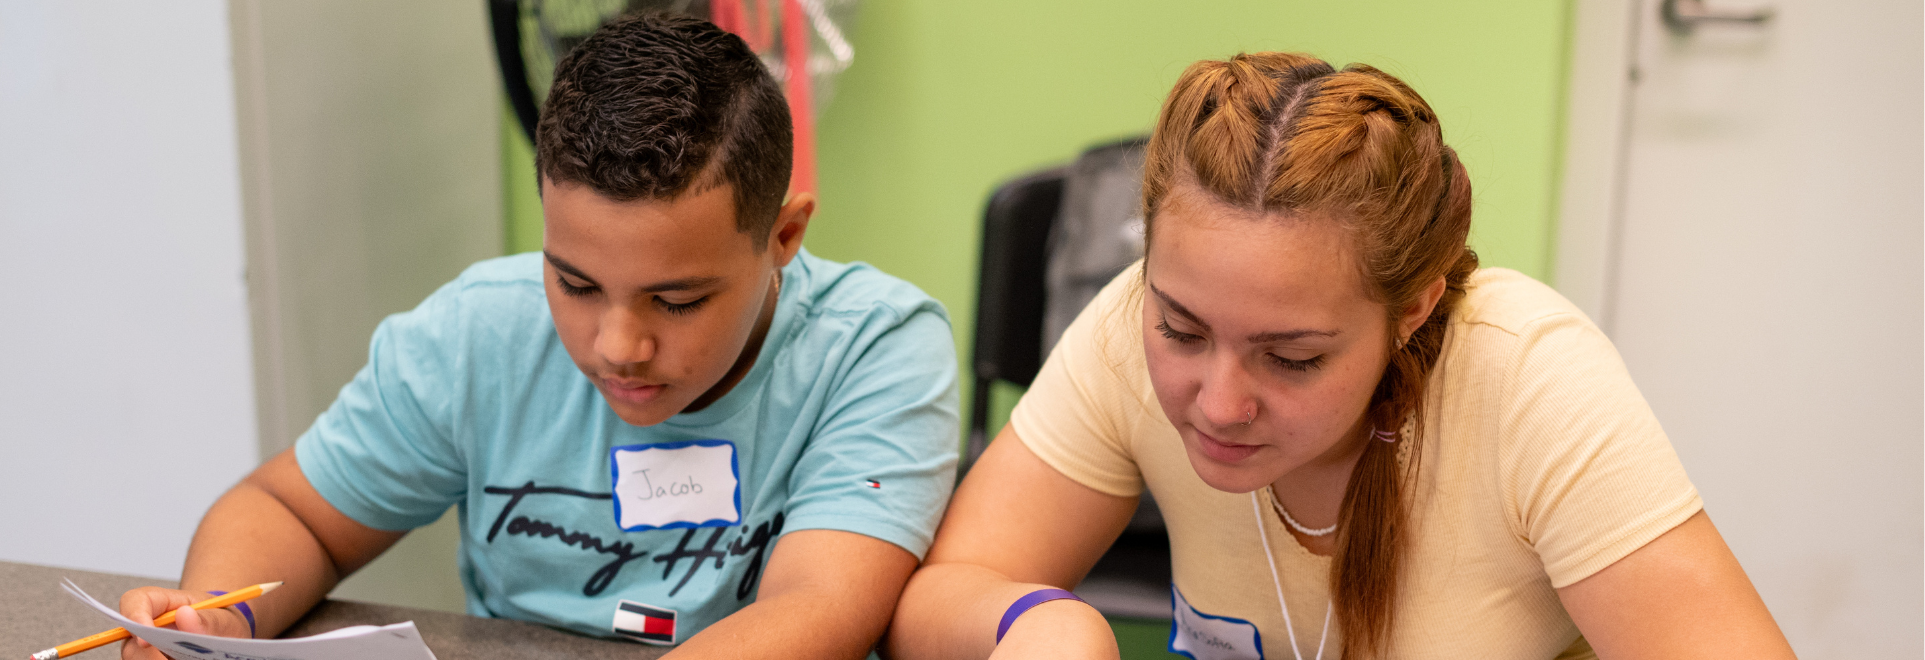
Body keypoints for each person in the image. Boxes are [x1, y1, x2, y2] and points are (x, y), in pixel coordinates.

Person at [886, 53, 1795, 660]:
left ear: (1414, 308)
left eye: (1293, 358)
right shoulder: (1130, 325)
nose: (1219, 402)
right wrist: (1035, 619)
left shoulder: (1526, 376)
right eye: (1183, 331)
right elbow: (936, 602)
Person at [119, 14, 959, 660]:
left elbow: (818, 608)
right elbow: (291, 513)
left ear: (783, 238)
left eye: (676, 300)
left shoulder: (875, 348)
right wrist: (215, 614)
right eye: (576, 284)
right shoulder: (477, 332)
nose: (617, 345)